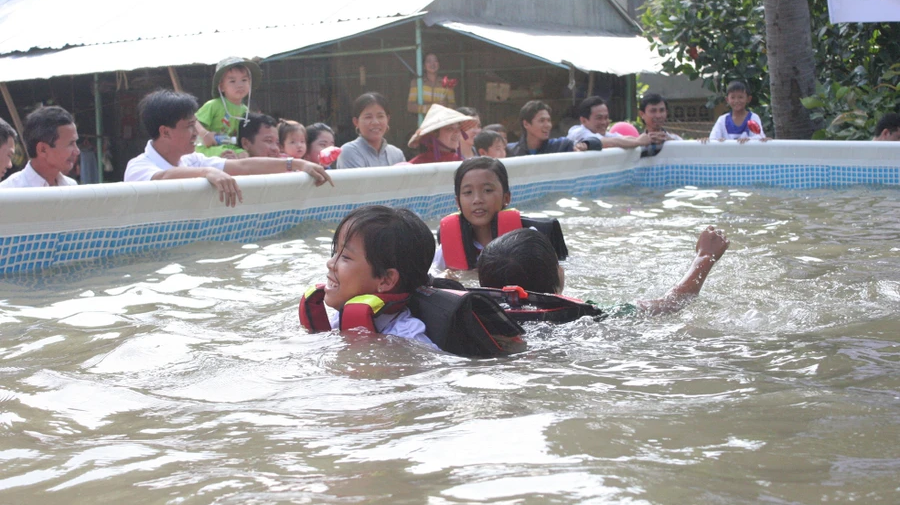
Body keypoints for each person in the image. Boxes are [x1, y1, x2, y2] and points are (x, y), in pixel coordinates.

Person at [124, 90, 330, 207]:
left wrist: (296, 163)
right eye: (189, 127)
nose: (196, 133)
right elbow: (162, 178)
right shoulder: (139, 167)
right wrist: (207, 172)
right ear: (165, 132)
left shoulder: (191, 160)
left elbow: (242, 166)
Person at [477, 225, 729, 317]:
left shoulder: (480, 317)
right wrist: (704, 258)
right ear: (558, 276)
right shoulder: (585, 313)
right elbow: (670, 304)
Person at [301, 205, 437, 347]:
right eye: (335, 252)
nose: (330, 263)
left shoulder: (408, 339)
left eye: (345, 257)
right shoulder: (340, 319)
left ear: (386, 280)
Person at [433, 157, 567, 271]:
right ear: (458, 202)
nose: (477, 200)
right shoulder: (446, 250)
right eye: (468, 192)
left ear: (506, 198)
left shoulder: (530, 239)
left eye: (487, 190)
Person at [194, 56, 261, 158]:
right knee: (228, 156)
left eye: (244, 80)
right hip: (209, 148)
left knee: (244, 155)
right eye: (232, 81)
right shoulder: (213, 105)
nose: (239, 85)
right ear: (221, 87)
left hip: (231, 146)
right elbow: (192, 120)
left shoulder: (245, 111)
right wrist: (204, 134)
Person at [0, 106, 79, 188]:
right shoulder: (9, 191)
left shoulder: (71, 186)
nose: (77, 151)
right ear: (43, 149)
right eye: (70, 144)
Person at [336, 92, 406, 169]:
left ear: (387, 119)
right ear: (356, 122)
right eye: (368, 117)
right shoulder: (348, 151)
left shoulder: (396, 154)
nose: (375, 122)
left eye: (380, 116)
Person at [567, 96, 663, 149]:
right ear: (583, 120)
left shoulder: (605, 135)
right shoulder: (578, 132)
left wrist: (652, 138)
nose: (604, 122)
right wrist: (638, 141)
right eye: (599, 118)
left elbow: (623, 138)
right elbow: (603, 142)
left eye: (606, 118)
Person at [506, 100, 587, 157]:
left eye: (549, 120)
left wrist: (587, 144)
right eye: (541, 121)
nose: (548, 125)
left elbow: (596, 143)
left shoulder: (561, 146)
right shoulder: (510, 151)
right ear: (526, 124)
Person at [407, 105, 476, 165]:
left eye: (458, 128)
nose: (457, 132)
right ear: (434, 134)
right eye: (450, 129)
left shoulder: (461, 163)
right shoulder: (414, 165)